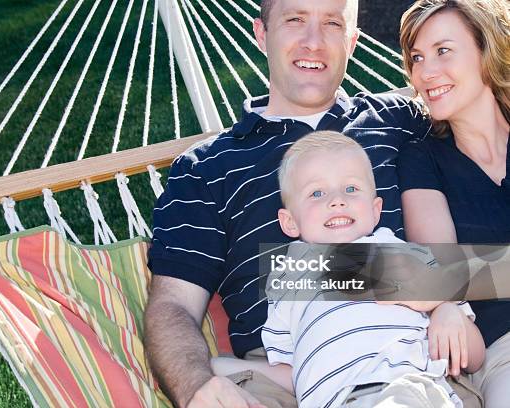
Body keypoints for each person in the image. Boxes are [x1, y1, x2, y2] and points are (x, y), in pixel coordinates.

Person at [144, 0, 432, 406]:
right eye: (295, 19)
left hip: (415, 351)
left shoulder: (398, 122)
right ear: (262, 33)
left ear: (352, 42)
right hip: (282, 377)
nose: (313, 42)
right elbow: (173, 305)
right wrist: (197, 386)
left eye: (331, 24)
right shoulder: (205, 170)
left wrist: (289, 272)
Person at [210, 131, 484, 407]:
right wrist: (222, 367)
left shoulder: (398, 251)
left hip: (412, 385)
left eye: (351, 189)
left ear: (376, 210)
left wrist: (444, 310)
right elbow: (296, 374)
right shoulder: (289, 278)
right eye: (317, 193)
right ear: (290, 222)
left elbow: (474, 357)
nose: (337, 200)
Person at [397, 0, 510, 406]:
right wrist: (444, 298)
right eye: (416, 58)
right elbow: (435, 272)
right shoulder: (422, 158)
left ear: (487, 49)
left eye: (443, 51)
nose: (426, 73)